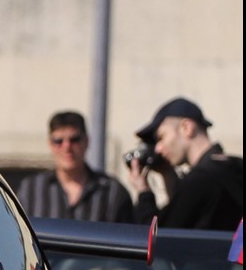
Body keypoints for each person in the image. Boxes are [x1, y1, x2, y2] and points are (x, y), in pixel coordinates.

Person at [126, 97, 244, 231]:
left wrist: (143, 192)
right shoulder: (234, 167)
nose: (158, 148)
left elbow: (158, 238)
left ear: (186, 128)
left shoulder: (200, 180)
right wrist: (168, 175)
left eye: (161, 137)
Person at [15, 110, 135, 223]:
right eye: (58, 141)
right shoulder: (31, 190)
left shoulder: (112, 192)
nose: (67, 147)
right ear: (50, 144)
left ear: (86, 141)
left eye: (74, 140)